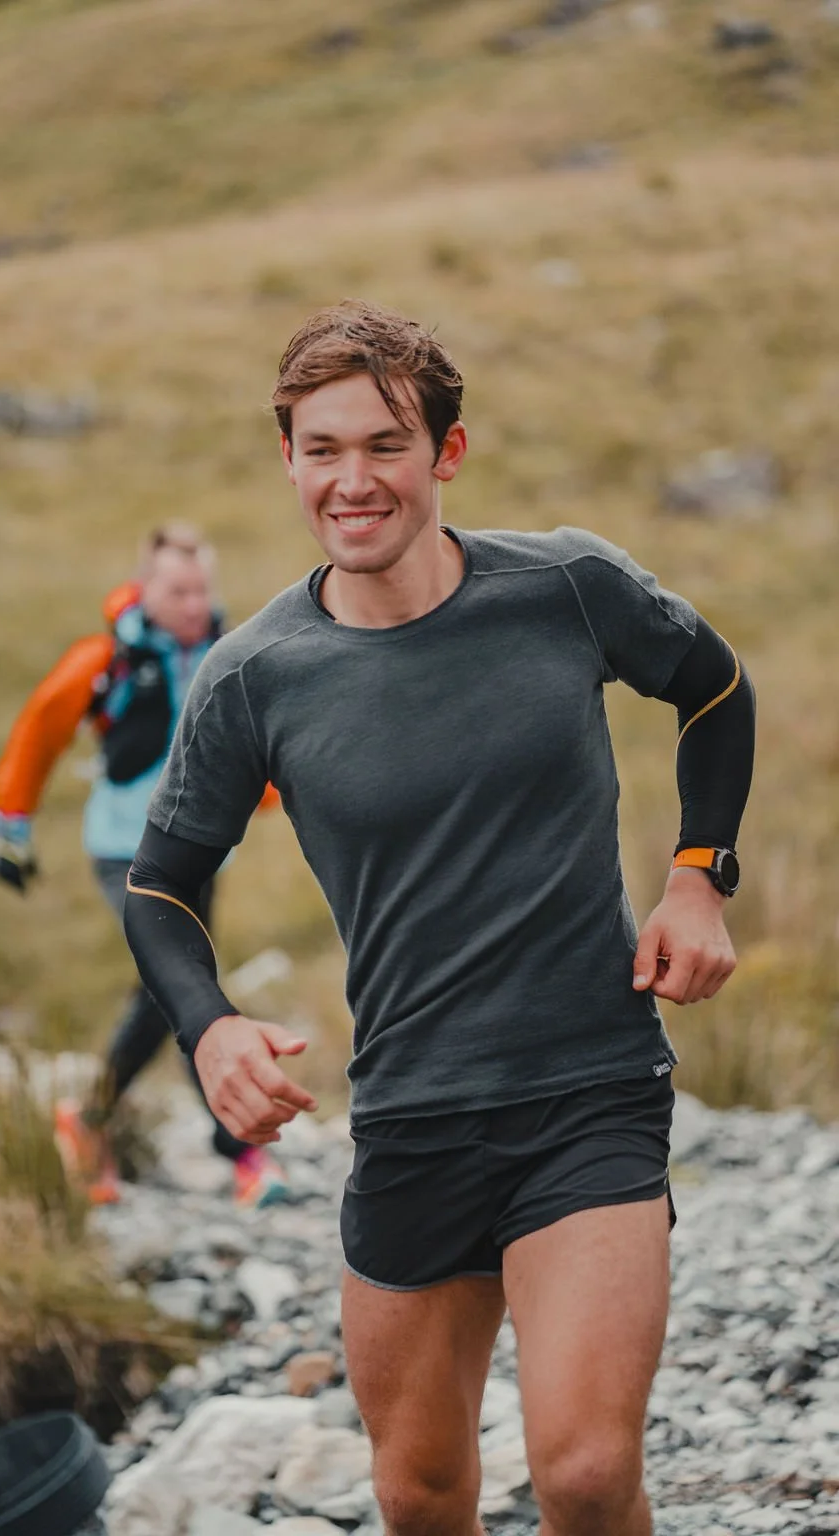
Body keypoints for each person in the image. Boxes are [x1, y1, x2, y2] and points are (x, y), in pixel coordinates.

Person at [121, 302, 755, 1536]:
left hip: (589, 1090)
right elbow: (159, 886)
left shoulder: (566, 588)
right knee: (418, 1493)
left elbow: (715, 689)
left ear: (444, 455)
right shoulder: (256, 676)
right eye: (321, 450)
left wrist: (697, 876)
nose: (351, 481)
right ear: (290, 462)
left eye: (384, 445)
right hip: (411, 1113)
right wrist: (207, 1029)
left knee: (579, 1471)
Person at [0, 524, 288, 1209]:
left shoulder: (227, 655)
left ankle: (95, 1120)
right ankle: (236, 1151)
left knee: (178, 988)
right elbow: (40, 728)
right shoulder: (107, 660)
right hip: (123, 848)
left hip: (200, 849)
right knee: (178, 984)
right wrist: (10, 827)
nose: (191, 602)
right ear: (146, 591)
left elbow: (264, 742)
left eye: (200, 589)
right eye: (177, 590)